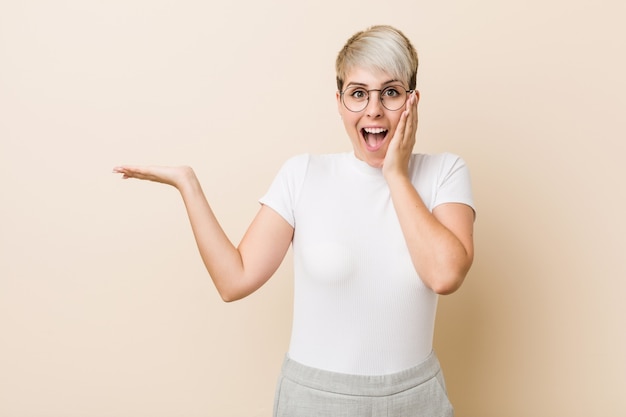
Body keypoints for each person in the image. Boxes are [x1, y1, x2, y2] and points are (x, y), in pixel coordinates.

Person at [114, 25, 475, 417]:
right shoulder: (303, 175)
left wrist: (396, 175)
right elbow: (233, 281)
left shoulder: (445, 172)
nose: (373, 109)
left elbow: (445, 275)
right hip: (314, 399)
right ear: (339, 103)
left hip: (414, 399)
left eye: (390, 92)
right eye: (358, 94)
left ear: (412, 100)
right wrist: (188, 185)